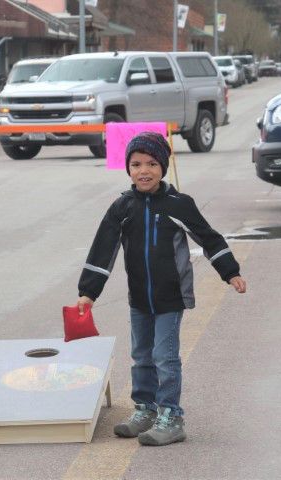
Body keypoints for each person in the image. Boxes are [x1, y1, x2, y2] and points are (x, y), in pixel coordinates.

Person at [76, 132, 246, 447]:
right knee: (141, 356)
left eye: (152, 163)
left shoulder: (179, 204)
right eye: (137, 163)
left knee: (164, 357)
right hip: (139, 298)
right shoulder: (122, 207)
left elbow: (208, 238)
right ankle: (146, 409)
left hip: (171, 298)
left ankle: (172, 416)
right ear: (128, 168)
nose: (144, 170)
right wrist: (89, 291)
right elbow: (103, 249)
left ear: (163, 167)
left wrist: (230, 272)